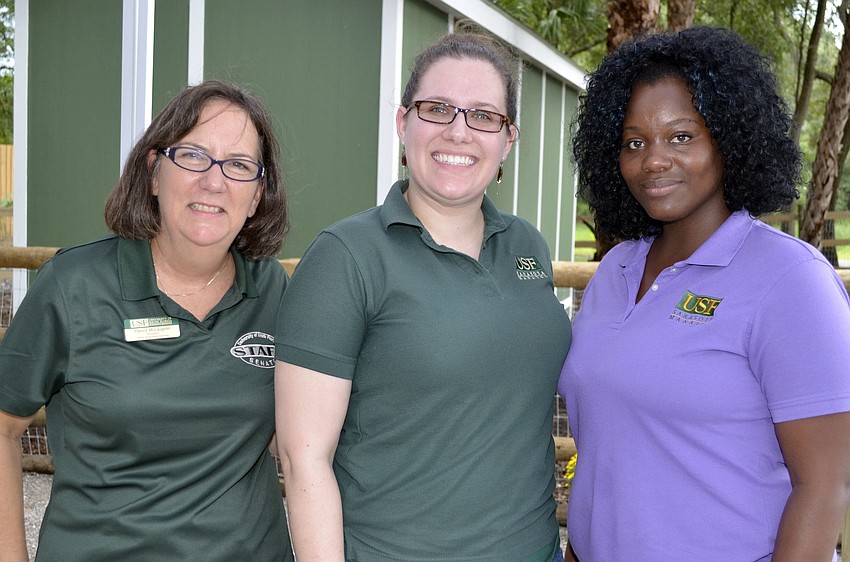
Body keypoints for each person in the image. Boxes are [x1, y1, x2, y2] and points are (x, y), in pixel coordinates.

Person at [275, 24, 572, 562]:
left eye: (484, 115)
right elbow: (303, 460)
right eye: (437, 108)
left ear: (508, 139)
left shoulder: (527, 245)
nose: (459, 132)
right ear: (403, 123)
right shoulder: (346, 257)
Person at [559, 25, 850, 562]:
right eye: (633, 142)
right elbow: (610, 451)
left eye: (681, 136)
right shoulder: (616, 269)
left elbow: (826, 485)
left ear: (729, 139)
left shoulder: (790, 280)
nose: (653, 160)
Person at [0, 80, 294, 561]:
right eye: (194, 155)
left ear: (258, 194)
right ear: (154, 171)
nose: (214, 181)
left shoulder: (273, 292)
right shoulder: (74, 287)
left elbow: (305, 438)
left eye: (239, 165)